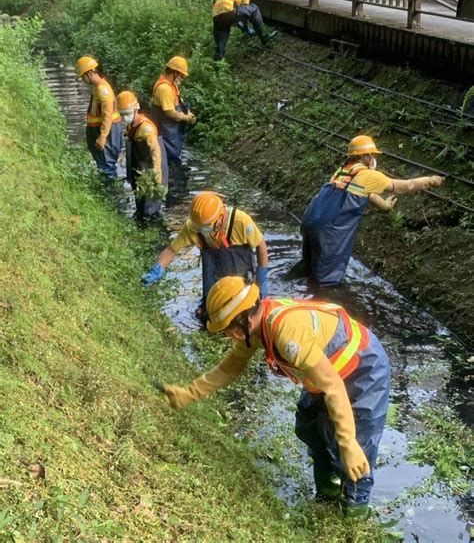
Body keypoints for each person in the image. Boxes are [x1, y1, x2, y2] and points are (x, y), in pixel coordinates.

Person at [162, 275, 390, 516]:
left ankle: (353, 519)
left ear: (243, 321)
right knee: (311, 428)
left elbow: (333, 386)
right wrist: (189, 393)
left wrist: (348, 442)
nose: (229, 336)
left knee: (355, 455)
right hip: (326, 372)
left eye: (228, 329)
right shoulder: (255, 328)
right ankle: (328, 496)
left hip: (362, 367)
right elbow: (229, 368)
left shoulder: (287, 334)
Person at [301, 134, 445, 286]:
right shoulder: (369, 175)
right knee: (326, 278)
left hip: (311, 221)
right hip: (330, 231)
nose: (374, 158)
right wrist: (431, 181)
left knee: (310, 269)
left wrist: (385, 206)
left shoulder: (343, 171)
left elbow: (365, 193)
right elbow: (406, 186)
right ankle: (321, 300)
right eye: (372, 155)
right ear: (366, 156)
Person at [141, 192, 269, 320]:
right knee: (208, 317)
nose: (201, 230)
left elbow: (260, 245)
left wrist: (261, 279)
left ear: (219, 218)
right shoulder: (193, 227)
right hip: (213, 278)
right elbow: (171, 250)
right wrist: (157, 269)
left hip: (242, 276)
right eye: (198, 227)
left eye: (206, 227)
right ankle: (207, 303)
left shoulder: (241, 221)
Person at [117, 90, 168, 222]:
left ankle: (154, 233)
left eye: (127, 114)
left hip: (152, 169)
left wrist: (157, 173)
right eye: (121, 114)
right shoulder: (131, 126)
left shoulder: (146, 129)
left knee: (150, 209)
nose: (124, 117)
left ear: (136, 110)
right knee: (141, 203)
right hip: (141, 168)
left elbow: (155, 151)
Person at [76, 56, 122, 180]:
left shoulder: (103, 90)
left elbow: (108, 116)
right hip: (103, 132)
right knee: (104, 165)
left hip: (108, 133)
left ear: (90, 73)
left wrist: (102, 137)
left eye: (83, 76)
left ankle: (111, 195)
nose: (83, 79)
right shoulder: (97, 88)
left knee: (107, 167)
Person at [212, 0, 277, 61]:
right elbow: (245, 14)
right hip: (230, 10)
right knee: (254, 8)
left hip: (216, 16)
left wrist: (244, 28)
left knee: (220, 44)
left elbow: (234, 16)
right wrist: (246, 29)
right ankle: (263, 36)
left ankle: (218, 66)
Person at [150, 56, 196, 164]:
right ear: (175, 73)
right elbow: (170, 112)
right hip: (165, 132)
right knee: (167, 160)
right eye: (182, 75)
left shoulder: (172, 86)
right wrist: (186, 118)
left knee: (173, 157)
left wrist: (189, 113)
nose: (183, 78)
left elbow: (179, 103)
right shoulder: (164, 88)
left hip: (172, 133)